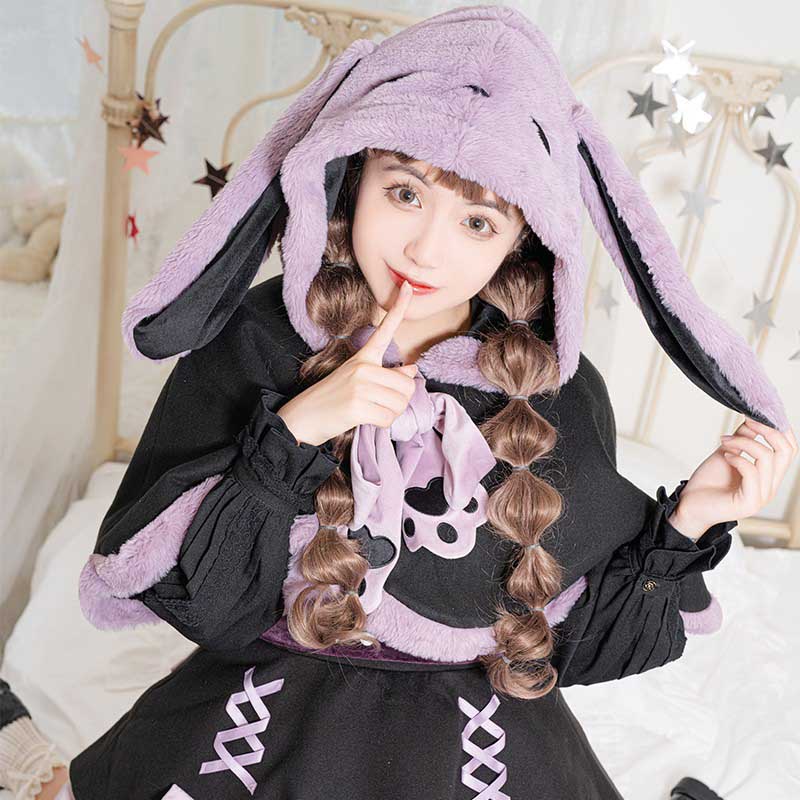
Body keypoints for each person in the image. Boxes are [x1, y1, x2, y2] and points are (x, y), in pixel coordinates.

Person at [3, 5, 795, 798]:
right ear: (353, 177)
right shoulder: (259, 338)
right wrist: (296, 430)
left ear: (522, 239)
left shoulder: (556, 389)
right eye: (405, 192)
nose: (426, 249)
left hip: (481, 731)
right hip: (269, 707)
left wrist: (689, 521)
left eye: (477, 220)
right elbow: (207, 610)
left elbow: (570, 652)